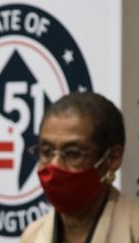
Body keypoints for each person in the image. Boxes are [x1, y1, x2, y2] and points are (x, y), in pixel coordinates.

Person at [20, 92, 139, 243]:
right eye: (47, 152)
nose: (54, 165)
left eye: (72, 154)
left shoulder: (134, 229)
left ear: (112, 158)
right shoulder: (32, 235)